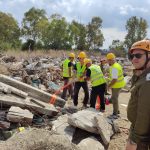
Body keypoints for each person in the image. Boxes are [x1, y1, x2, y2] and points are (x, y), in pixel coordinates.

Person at [126, 39, 150, 150]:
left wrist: (135, 139)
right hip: (137, 129)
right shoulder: (141, 76)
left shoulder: (147, 81)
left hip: (140, 137)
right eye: (132, 56)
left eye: (138, 56)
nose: (134, 59)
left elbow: (144, 114)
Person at [106, 53, 126, 118]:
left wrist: (109, 85)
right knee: (114, 98)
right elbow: (113, 77)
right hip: (117, 84)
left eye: (109, 60)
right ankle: (117, 111)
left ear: (111, 60)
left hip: (117, 85)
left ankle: (115, 114)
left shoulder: (114, 67)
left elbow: (114, 79)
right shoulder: (115, 65)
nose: (108, 61)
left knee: (115, 99)